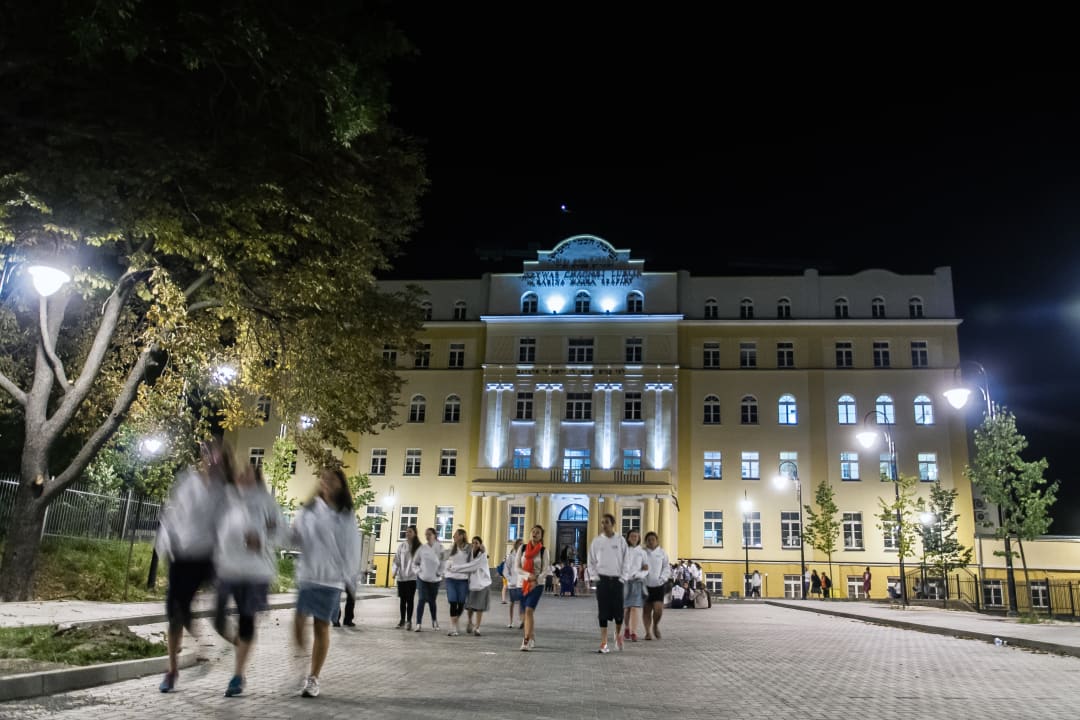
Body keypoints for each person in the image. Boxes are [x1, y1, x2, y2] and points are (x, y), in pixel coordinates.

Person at [155, 439, 230, 693]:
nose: (213, 463)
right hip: (182, 555)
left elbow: (225, 526)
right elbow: (172, 514)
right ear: (203, 459)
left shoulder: (223, 492)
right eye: (210, 458)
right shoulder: (188, 482)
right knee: (176, 613)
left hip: (207, 558)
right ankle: (172, 670)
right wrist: (166, 544)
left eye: (218, 460)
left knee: (209, 611)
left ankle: (221, 636)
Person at [212, 463, 286, 697]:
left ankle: (238, 675)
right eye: (240, 473)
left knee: (246, 619)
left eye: (248, 474)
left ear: (256, 478)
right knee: (217, 618)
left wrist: (261, 540)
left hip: (256, 571)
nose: (242, 477)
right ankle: (242, 643)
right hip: (228, 569)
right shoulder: (229, 500)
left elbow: (281, 532)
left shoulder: (267, 503)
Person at [290, 465, 361, 699]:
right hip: (308, 576)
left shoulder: (345, 515)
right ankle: (302, 663)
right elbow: (294, 537)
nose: (327, 482)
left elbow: (352, 548)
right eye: (324, 479)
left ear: (341, 485)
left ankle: (313, 678)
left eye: (332, 479)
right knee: (298, 623)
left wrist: (351, 579)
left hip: (331, 579)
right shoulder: (309, 510)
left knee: (321, 626)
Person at [588, 513, 627, 653]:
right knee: (603, 612)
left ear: (613, 524)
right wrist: (595, 577)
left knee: (619, 612)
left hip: (617, 580)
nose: (604, 525)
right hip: (602, 580)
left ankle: (618, 635)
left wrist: (623, 577)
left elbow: (626, 560)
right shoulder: (597, 541)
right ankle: (604, 643)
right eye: (602, 522)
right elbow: (591, 561)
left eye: (607, 522)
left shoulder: (620, 540)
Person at [449, 535, 492, 636]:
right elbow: (462, 557)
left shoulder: (483, 556)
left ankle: (477, 628)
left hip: (482, 585)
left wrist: (454, 568)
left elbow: (471, 566)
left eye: (476, 543)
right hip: (472, 584)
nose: (474, 545)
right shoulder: (470, 554)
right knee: (470, 607)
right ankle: (469, 622)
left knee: (480, 608)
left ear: (480, 544)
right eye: (473, 543)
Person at [518, 525, 549, 651]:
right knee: (524, 614)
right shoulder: (522, 548)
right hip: (523, 583)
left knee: (529, 610)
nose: (535, 534)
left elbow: (545, 570)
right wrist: (528, 576)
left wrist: (536, 580)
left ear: (541, 536)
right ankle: (531, 636)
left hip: (537, 585)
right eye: (533, 532)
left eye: (538, 532)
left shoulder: (543, 551)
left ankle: (525, 640)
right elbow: (516, 567)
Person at [411, 527, 444, 631]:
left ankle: (434, 621)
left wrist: (440, 572)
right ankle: (418, 624)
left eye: (429, 534)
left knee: (432, 601)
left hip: (435, 579)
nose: (427, 536)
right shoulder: (422, 548)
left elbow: (443, 562)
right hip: (422, 578)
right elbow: (414, 562)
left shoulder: (440, 547)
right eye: (426, 534)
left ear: (434, 535)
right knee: (421, 599)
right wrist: (417, 571)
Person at [641, 531, 671, 640]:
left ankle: (655, 625)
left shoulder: (662, 553)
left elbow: (666, 567)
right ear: (646, 541)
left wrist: (662, 578)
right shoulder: (642, 553)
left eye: (653, 539)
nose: (651, 541)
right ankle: (647, 632)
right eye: (648, 540)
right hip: (645, 585)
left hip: (658, 585)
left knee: (658, 610)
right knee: (647, 610)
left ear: (657, 541)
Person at [443, 528, 472, 636]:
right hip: (451, 578)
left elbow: (473, 561)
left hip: (463, 579)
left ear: (461, 536)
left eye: (455, 534)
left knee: (461, 604)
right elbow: (445, 560)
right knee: (452, 602)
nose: (453, 536)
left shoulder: (468, 548)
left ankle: (455, 621)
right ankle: (453, 627)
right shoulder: (452, 547)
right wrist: (446, 569)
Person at [391, 525, 421, 629]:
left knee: (410, 600)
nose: (407, 533)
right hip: (401, 577)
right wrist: (394, 572)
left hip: (412, 577)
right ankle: (402, 620)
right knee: (402, 600)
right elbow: (396, 560)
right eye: (407, 531)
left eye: (410, 532)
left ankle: (409, 621)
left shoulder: (418, 547)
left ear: (415, 533)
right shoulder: (401, 546)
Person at [621, 528, 649, 642]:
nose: (634, 538)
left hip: (637, 582)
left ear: (639, 538)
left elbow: (646, 569)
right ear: (628, 538)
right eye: (632, 536)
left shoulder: (642, 552)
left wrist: (639, 574)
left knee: (634, 608)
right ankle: (627, 628)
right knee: (626, 609)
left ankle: (634, 632)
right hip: (625, 582)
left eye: (636, 536)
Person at [505, 538, 524, 628]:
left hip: (521, 583)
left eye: (522, 544)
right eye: (520, 544)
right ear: (516, 545)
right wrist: (510, 579)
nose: (521, 545)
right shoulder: (511, 556)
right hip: (512, 583)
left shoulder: (524, 556)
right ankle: (511, 621)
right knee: (512, 602)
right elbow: (506, 569)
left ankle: (521, 620)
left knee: (521, 602)